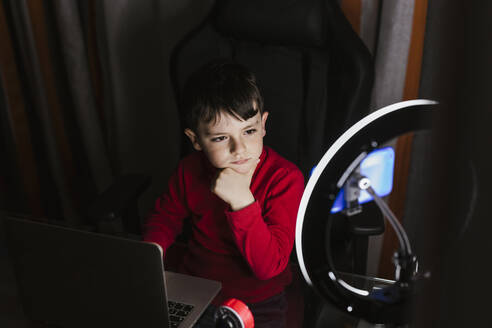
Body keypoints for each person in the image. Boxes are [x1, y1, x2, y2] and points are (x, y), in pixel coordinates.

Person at [143, 59, 304, 328]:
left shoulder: (285, 179)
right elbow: (165, 217)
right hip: (198, 290)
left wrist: (242, 202)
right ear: (196, 140)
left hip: (260, 300)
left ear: (263, 125)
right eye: (220, 138)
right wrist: (150, 253)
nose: (239, 149)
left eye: (249, 131)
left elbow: (269, 267)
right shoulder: (189, 170)